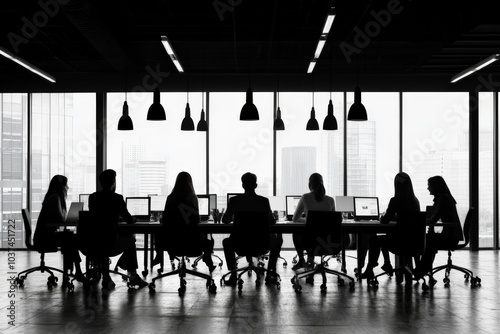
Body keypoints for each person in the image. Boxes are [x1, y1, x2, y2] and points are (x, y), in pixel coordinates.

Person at [88, 169, 148, 289]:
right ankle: (133, 275)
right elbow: (129, 220)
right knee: (131, 239)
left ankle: (108, 273)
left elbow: (98, 217)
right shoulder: (117, 198)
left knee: (108, 239)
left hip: (93, 243)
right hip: (110, 244)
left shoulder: (93, 197)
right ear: (113, 182)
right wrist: (133, 219)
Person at [221, 172, 283, 286]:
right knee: (278, 241)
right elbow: (272, 222)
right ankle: (269, 274)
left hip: (239, 244)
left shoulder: (235, 200)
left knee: (226, 242)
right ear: (256, 185)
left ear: (243, 185)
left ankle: (234, 275)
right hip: (261, 244)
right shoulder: (263, 201)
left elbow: (224, 220)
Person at [360, 172, 420, 279]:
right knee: (385, 237)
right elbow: (408, 218)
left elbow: (385, 221)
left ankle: (370, 269)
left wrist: (383, 217)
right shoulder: (415, 201)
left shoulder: (395, 200)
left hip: (399, 243)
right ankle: (387, 263)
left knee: (375, 240)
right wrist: (397, 218)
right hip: (414, 242)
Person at [154, 172, 216, 272]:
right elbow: (195, 220)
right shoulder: (192, 198)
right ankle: (208, 259)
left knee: (157, 232)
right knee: (209, 241)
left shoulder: (170, 198)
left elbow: (165, 219)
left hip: (172, 243)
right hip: (191, 242)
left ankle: (158, 256)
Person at [33, 175, 86, 283]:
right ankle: (76, 271)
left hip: (46, 235)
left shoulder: (53, 197)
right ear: (61, 186)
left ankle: (72, 271)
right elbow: (60, 220)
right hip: (45, 238)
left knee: (70, 236)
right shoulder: (55, 198)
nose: (68, 187)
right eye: (66, 185)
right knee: (71, 238)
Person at [415, 175, 464, 278]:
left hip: (450, 237)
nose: (428, 188)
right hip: (452, 235)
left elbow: (433, 219)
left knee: (428, 240)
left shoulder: (443, 199)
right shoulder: (444, 197)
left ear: (435, 186)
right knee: (429, 239)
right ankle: (422, 269)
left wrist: (418, 220)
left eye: (429, 185)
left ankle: (421, 270)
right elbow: (434, 217)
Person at [291, 173, 335, 271]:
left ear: (310, 185)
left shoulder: (305, 197)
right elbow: (333, 221)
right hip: (328, 243)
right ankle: (309, 260)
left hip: (310, 243)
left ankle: (302, 260)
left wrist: (309, 220)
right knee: (315, 237)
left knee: (296, 233)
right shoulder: (330, 200)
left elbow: (295, 219)